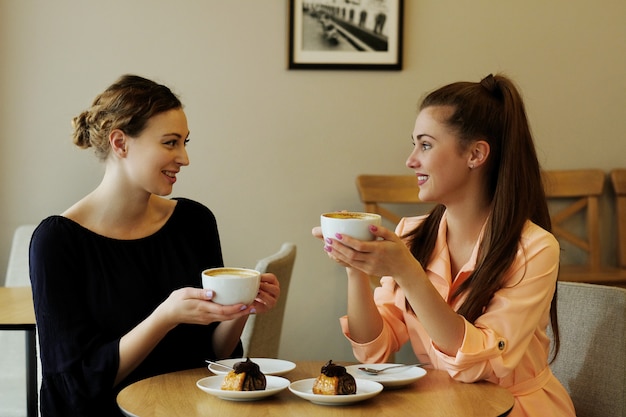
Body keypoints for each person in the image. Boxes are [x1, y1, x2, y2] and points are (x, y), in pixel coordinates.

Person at [313, 74, 576, 416]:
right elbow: (375, 351)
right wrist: (356, 271)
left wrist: (407, 273)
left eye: (425, 144)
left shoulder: (535, 249)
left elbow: (475, 365)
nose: (411, 161)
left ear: (476, 154)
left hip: (517, 409)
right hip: (447, 406)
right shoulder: (413, 234)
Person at [29, 74, 281, 416]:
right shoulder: (57, 242)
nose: (184, 158)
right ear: (120, 143)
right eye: (170, 142)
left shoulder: (195, 222)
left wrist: (241, 310)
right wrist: (164, 317)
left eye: (185, 142)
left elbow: (216, 357)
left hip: (190, 409)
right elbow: (74, 385)